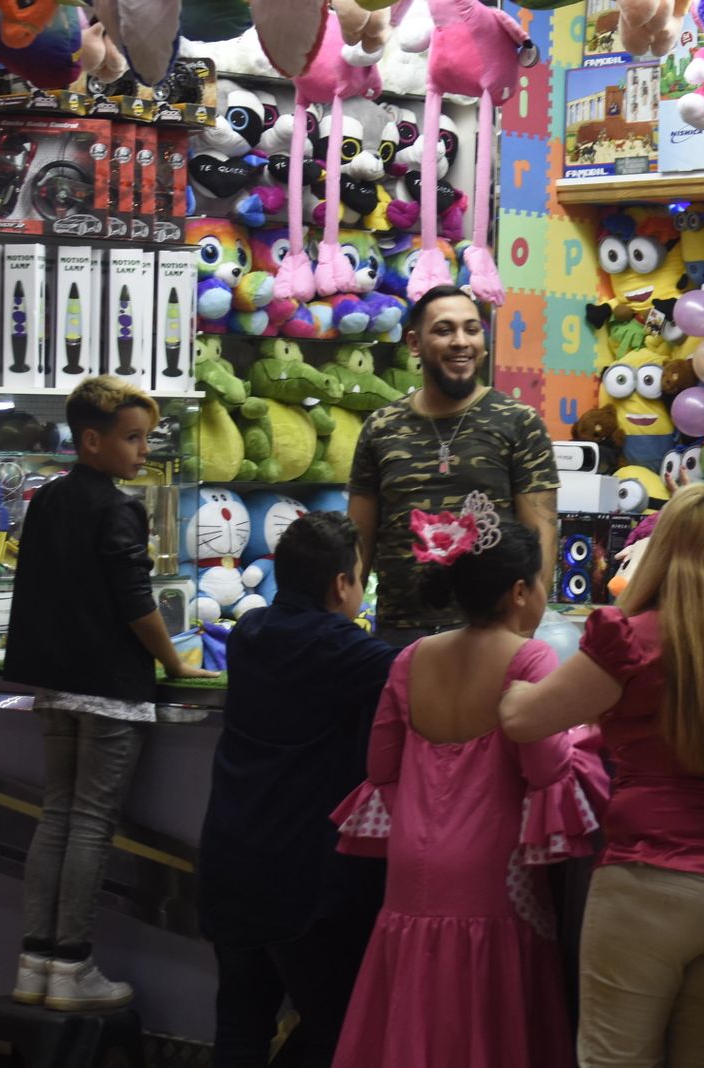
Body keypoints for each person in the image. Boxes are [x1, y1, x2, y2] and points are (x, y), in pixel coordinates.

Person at [500, 482, 704, 1068]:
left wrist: (512, 677)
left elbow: (524, 720)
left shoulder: (632, 640)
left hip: (650, 881)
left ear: (660, 548)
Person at [330, 499, 608, 1068]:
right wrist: (584, 731)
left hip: (410, 870)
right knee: (487, 1016)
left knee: (414, 1008)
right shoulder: (529, 660)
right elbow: (546, 770)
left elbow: (381, 769)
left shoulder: (410, 659)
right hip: (495, 873)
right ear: (520, 591)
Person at [4, 376, 217, 1011]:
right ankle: (72, 966)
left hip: (54, 684)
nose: (143, 449)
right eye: (133, 438)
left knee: (56, 817)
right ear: (92, 441)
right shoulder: (119, 508)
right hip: (109, 690)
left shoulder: (46, 499)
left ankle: (35, 965)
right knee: (92, 823)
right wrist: (174, 661)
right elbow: (135, 603)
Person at [197, 512, 399, 1067]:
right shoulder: (343, 649)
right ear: (342, 584)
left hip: (230, 864)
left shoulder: (250, 634)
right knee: (336, 1032)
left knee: (239, 1028)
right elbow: (421, 672)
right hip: (301, 880)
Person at [348, 284, 561, 648]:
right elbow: (358, 544)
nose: (461, 341)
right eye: (444, 330)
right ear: (415, 343)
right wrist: (342, 632)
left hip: (490, 636)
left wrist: (519, 636)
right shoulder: (381, 427)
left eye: (471, 329)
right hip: (399, 636)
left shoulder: (518, 422)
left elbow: (541, 538)